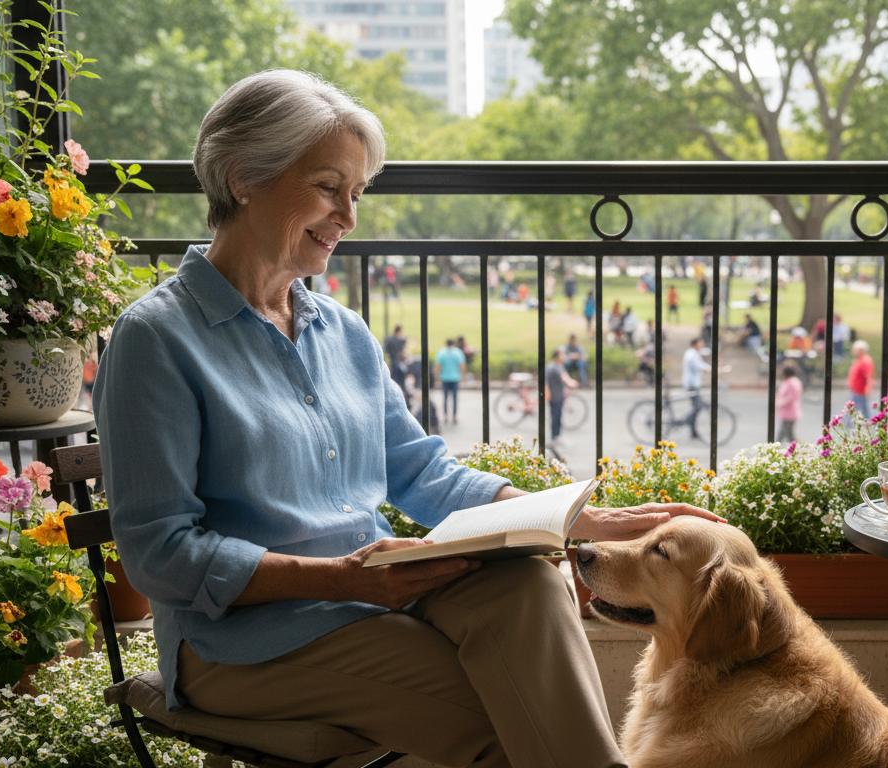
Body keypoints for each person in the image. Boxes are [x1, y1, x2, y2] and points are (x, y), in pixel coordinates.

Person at [93, 70, 722, 768]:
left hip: (368, 602)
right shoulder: (156, 340)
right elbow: (159, 554)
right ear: (244, 177)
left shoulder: (344, 333)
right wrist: (340, 579)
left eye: (356, 194)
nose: (348, 216)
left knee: (529, 580)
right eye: (329, 187)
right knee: (506, 714)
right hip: (239, 645)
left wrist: (581, 519)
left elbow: (421, 471)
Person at [680, 337, 711, 440]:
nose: (701, 345)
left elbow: (706, 352)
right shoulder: (691, 355)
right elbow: (698, 365)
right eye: (700, 343)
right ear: (695, 344)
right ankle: (687, 421)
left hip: (693, 384)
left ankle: (693, 430)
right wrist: (713, 369)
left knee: (696, 406)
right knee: (697, 406)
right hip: (691, 384)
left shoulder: (694, 353)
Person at [545, 348, 577, 445]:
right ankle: (555, 437)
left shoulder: (558, 366)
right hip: (554, 396)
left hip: (558, 395)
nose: (563, 357)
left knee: (558, 416)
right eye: (562, 355)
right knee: (555, 416)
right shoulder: (553, 367)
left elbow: (565, 377)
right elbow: (565, 378)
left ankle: (557, 436)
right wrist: (571, 383)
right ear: (557, 356)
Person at [435, 338, 465, 424]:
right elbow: (461, 365)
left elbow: (438, 366)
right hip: (455, 378)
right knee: (455, 398)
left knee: (445, 398)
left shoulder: (441, 353)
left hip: (444, 378)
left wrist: (437, 378)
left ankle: (445, 416)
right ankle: (454, 416)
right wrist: (463, 376)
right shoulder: (458, 352)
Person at [847, 339, 875, 421]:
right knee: (862, 408)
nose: (853, 351)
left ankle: (848, 424)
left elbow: (869, 376)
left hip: (860, 390)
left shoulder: (865, 361)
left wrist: (868, 388)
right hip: (856, 390)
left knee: (856, 409)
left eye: (855, 350)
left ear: (860, 350)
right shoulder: (859, 359)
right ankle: (870, 422)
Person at [775, 364, 803, 444]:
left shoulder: (792, 383)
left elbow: (792, 397)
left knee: (785, 434)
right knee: (787, 434)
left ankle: (775, 448)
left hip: (790, 413)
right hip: (787, 413)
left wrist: (780, 403)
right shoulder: (791, 382)